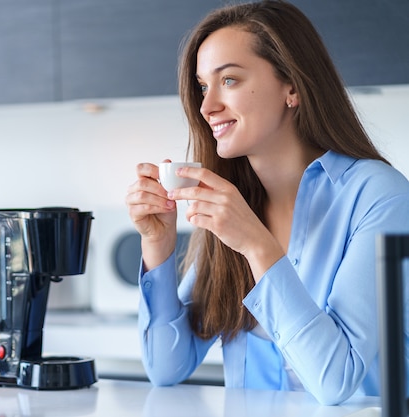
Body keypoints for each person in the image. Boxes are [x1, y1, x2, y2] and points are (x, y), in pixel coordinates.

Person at [125, 0, 409, 406]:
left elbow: (337, 381)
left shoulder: (379, 197)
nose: (207, 107)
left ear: (291, 85)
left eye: (230, 81)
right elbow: (166, 366)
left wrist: (258, 247)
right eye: (203, 86)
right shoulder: (233, 205)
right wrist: (158, 246)